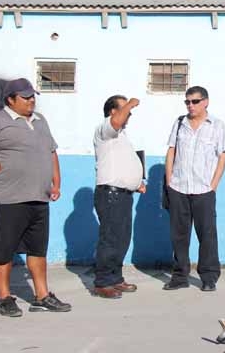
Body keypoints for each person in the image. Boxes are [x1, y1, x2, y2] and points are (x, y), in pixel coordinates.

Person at [0, 78, 71, 317]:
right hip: (9, 198)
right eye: (25, 97)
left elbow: (51, 151)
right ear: (10, 100)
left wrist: (56, 182)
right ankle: (4, 298)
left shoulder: (40, 120)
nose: (31, 101)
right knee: (3, 251)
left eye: (33, 96)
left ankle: (42, 296)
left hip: (39, 197)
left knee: (37, 250)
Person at [163, 86, 225, 292]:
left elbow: (222, 156)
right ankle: (180, 276)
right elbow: (171, 151)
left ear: (206, 102)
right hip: (179, 187)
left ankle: (209, 277)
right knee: (179, 236)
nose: (190, 105)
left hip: (203, 190)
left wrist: (213, 185)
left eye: (195, 101)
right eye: (187, 102)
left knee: (207, 235)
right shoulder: (179, 123)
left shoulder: (217, 125)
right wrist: (169, 181)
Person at [92, 95, 146, 299]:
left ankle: (115, 278)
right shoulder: (105, 129)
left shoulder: (122, 136)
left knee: (122, 239)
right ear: (113, 112)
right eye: (125, 109)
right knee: (111, 239)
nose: (129, 113)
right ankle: (103, 282)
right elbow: (115, 122)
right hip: (110, 195)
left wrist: (136, 182)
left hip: (123, 195)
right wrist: (131, 103)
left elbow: (121, 163)